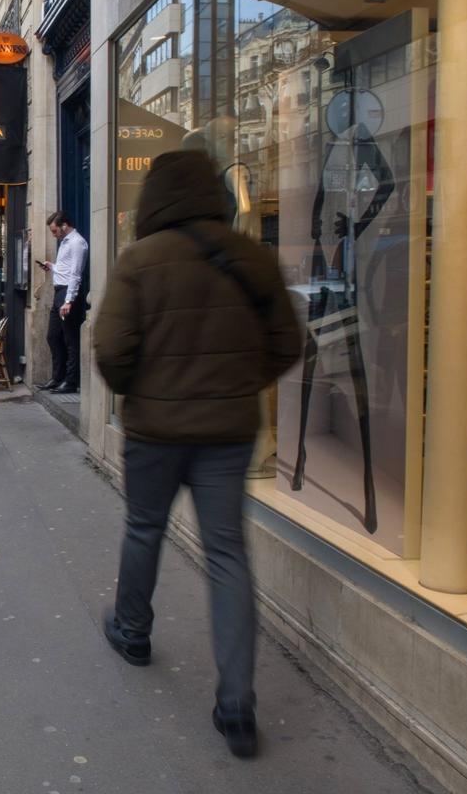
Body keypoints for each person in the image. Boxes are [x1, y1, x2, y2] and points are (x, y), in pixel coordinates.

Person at [93, 151, 301, 759]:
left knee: (143, 529)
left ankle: (133, 631)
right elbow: (289, 342)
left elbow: (109, 349)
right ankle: (237, 701)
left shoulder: (140, 261)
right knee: (228, 555)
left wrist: (143, 388)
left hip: (155, 432)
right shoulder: (249, 256)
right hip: (229, 433)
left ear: (152, 200)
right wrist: (239, 385)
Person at [38, 211, 87, 394]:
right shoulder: (66, 242)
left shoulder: (77, 243)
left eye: (54, 230)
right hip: (59, 293)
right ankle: (57, 377)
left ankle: (71, 381)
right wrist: (52, 267)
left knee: (70, 339)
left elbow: (75, 274)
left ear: (64, 225)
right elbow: (66, 269)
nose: (54, 234)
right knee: (53, 336)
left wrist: (69, 300)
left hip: (68, 294)